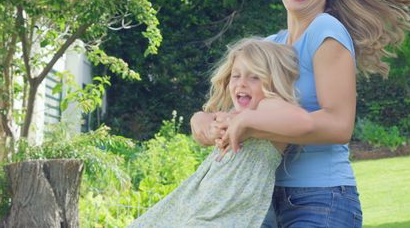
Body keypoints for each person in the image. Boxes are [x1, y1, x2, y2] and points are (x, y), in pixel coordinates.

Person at [191, 0, 410, 227]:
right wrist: (205, 122)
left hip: (320, 200)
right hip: (262, 198)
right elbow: (237, 112)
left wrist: (252, 126)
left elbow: (339, 126)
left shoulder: (325, 31)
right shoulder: (271, 45)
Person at [130, 38, 313, 228]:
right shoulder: (231, 113)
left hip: (225, 216)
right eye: (236, 76)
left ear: (273, 81)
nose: (241, 84)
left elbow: (304, 122)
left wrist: (245, 121)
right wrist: (208, 124)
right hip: (197, 206)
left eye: (254, 77)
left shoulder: (267, 105)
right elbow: (202, 121)